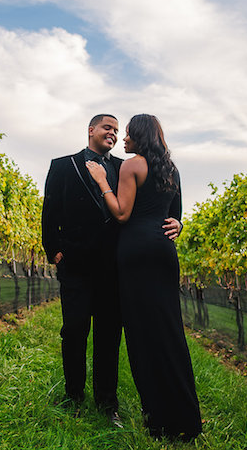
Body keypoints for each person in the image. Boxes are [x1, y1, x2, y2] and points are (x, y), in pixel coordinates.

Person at [42, 114, 182, 427]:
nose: (114, 134)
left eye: (118, 131)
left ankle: (108, 404)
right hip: (75, 264)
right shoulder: (62, 165)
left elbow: (160, 203)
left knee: (108, 337)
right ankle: (73, 397)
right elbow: (49, 211)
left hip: (114, 267)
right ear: (90, 130)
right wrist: (55, 252)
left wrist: (179, 221)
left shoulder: (126, 166)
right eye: (108, 127)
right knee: (74, 332)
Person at [86, 114, 202, 442]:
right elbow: (174, 215)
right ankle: (185, 420)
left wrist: (101, 181)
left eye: (128, 134)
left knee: (142, 336)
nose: (123, 139)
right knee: (168, 332)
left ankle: (160, 421)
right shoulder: (171, 169)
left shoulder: (132, 165)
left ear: (139, 136)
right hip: (164, 253)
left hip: (136, 252)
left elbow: (121, 212)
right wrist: (178, 225)